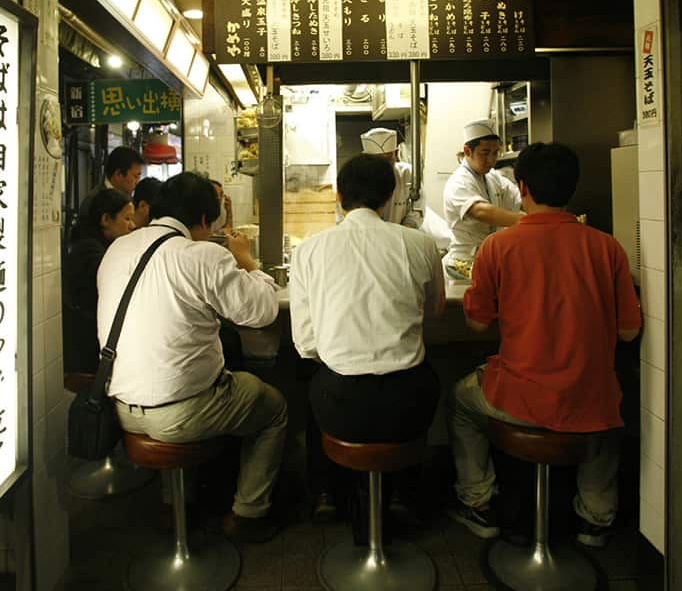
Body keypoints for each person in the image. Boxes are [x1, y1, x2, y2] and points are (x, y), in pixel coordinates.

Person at [447, 143, 641, 548]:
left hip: (521, 399)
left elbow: (478, 323)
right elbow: (628, 333)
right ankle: (596, 520)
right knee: (608, 402)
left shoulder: (497, 248)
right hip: (589, 398)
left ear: (522, 188)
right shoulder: (607, 247)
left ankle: (479, 502)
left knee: (460, 400)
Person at [97, 172, 287, 543]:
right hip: (184, 413)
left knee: (171, 378)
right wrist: (247, 261)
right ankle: (247, 514)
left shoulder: (117, 249)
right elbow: (261, 311)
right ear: (203, 221)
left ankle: (175, 505)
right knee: (274, 408)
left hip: (120, 407)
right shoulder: (202, 254)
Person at [290, 153, 444, 530]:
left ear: (339, 197)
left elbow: (305, 343)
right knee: (420, 380)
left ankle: (326, 491)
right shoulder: (420, 244)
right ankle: (402, 493)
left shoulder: (308, 250)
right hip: (409, 403)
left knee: (315, 382)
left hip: (342, 405)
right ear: (389, 196)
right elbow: (435, 311)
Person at [61, 188, 136, 374]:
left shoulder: (97, 245)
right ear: (105, 220)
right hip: (85, 347)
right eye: (126, 218)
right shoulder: (90, 252)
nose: (132, 225)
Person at [442, 120, 522, 277]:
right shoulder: (459, 182)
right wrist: (527, 220)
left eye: (495, 153)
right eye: (485, 153)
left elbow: (519, 199)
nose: (491, 160)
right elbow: (482, 211)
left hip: (490, 260)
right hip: (463, 263)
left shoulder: (494, 178)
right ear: (467, 151)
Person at [358, 126, 424, 229]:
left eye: (388, 158)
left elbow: (417, 209)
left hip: (401, 236)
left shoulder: (407, 174)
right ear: (365, 158)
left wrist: (403, 231)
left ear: (396, 153)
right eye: (377, 160)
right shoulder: (355, 179)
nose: (383, 165)